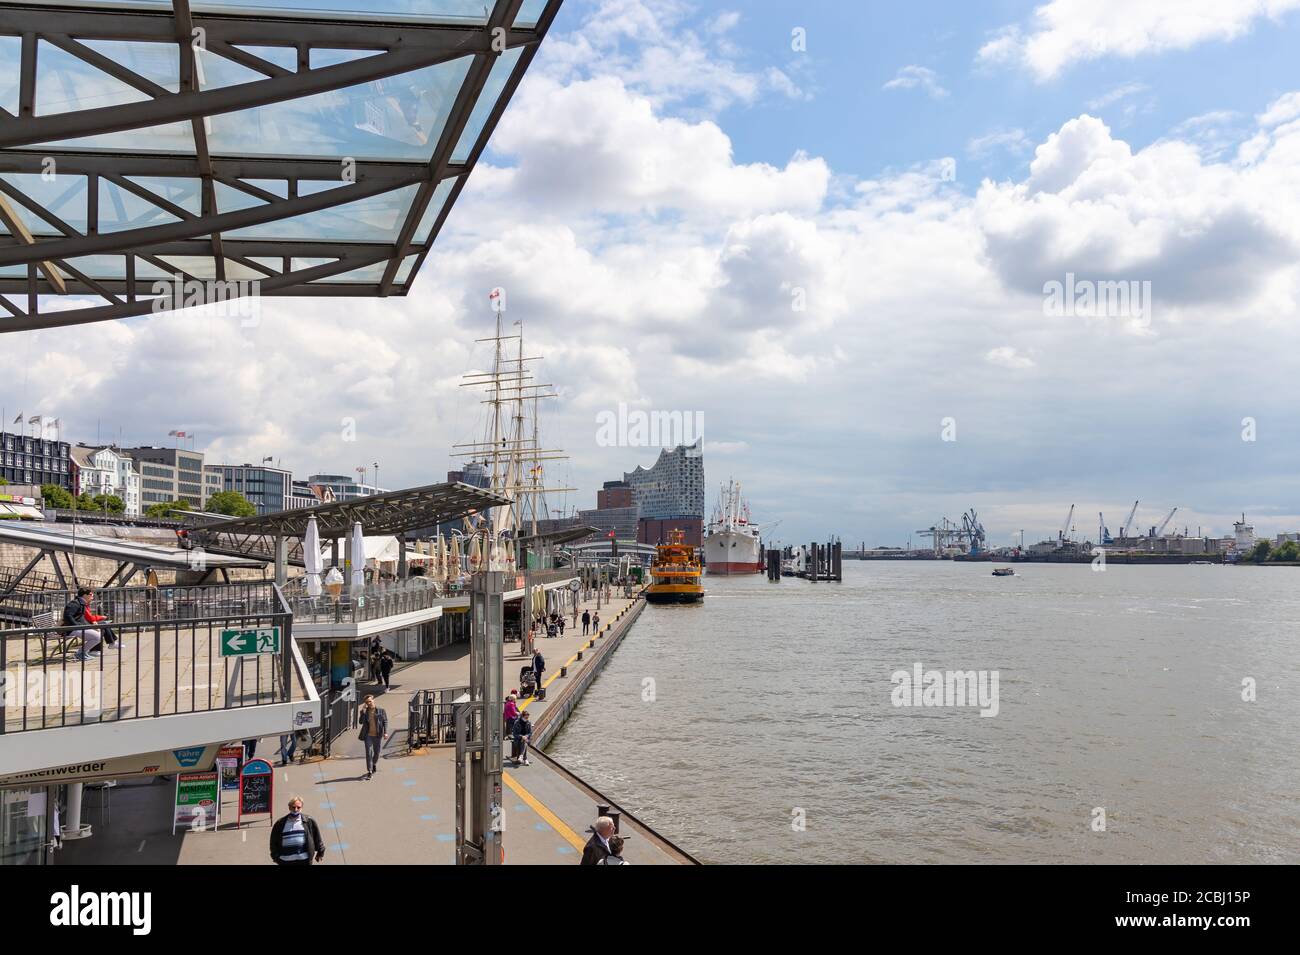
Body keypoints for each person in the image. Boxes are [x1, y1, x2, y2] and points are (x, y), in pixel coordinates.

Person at [269, 796, 325, 865]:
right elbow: (273, 841)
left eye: (298, 807)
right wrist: (275, 857)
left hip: (304, 860)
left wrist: (320, 852)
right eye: (293, 807)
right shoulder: (280, 823)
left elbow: (317, 838)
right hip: (285, 861)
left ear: (302, 808)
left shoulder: (308, 821)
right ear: (289, 807)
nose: (295, 809)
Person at [63, 587, 103, 660]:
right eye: (91, 594)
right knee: (97, 637)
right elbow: (68, 616)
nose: (92, 596)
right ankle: (80, 653)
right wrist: (77, 626)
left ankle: (82, 653)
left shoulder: (81, 603)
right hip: (71, 629)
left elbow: (81, 619)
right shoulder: (75, 603)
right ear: (85, 595)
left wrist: (90, 626)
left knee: (99, 634)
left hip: (77, 627)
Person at [358, 695, 389, 779]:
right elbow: (360, 722)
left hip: (378, 735)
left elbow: (385, 721)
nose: (369, 703)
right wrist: (363, 712)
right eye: (367, 702)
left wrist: (385, 732)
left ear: (373, 700)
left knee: (377, 753)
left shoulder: (381, 710)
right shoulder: (365, 711)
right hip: (368, 735)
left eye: (370, 701)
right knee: (368, 753)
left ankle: (374, 764)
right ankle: (370, 771)